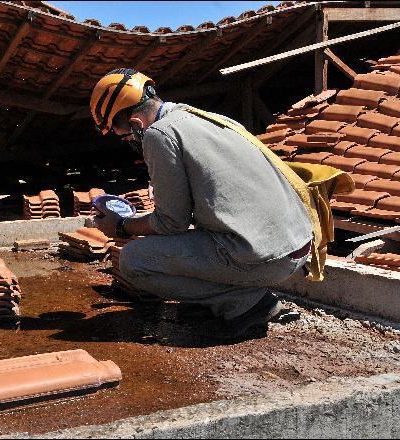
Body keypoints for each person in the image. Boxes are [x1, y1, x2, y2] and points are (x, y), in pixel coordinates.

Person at [89, 68, 313, 338]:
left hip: (268, 259)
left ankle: (246, 304)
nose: (127, 142)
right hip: (297, 244)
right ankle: (233, 299)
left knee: (134, 260)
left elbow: (172, 222)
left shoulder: (158, 135)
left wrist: (122, 225)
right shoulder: (201, 117)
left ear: (136, 123)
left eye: (122, 135)